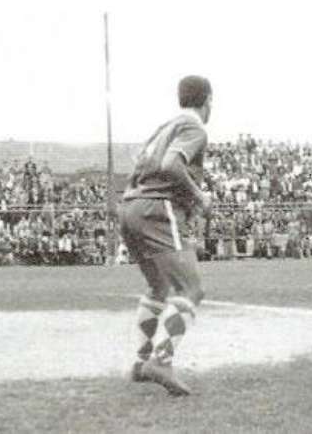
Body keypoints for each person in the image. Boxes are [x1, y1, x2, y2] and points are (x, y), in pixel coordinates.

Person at [118, 75, 213, 396]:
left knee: (159, 285)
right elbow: (173, 164)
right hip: (158, 208)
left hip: (131, 205)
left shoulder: (163, 128)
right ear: (207, 101)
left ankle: (141, 361)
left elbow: (141, 167)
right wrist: (199, 196)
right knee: (192, 287)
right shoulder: (194, 128)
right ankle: (161, 360)